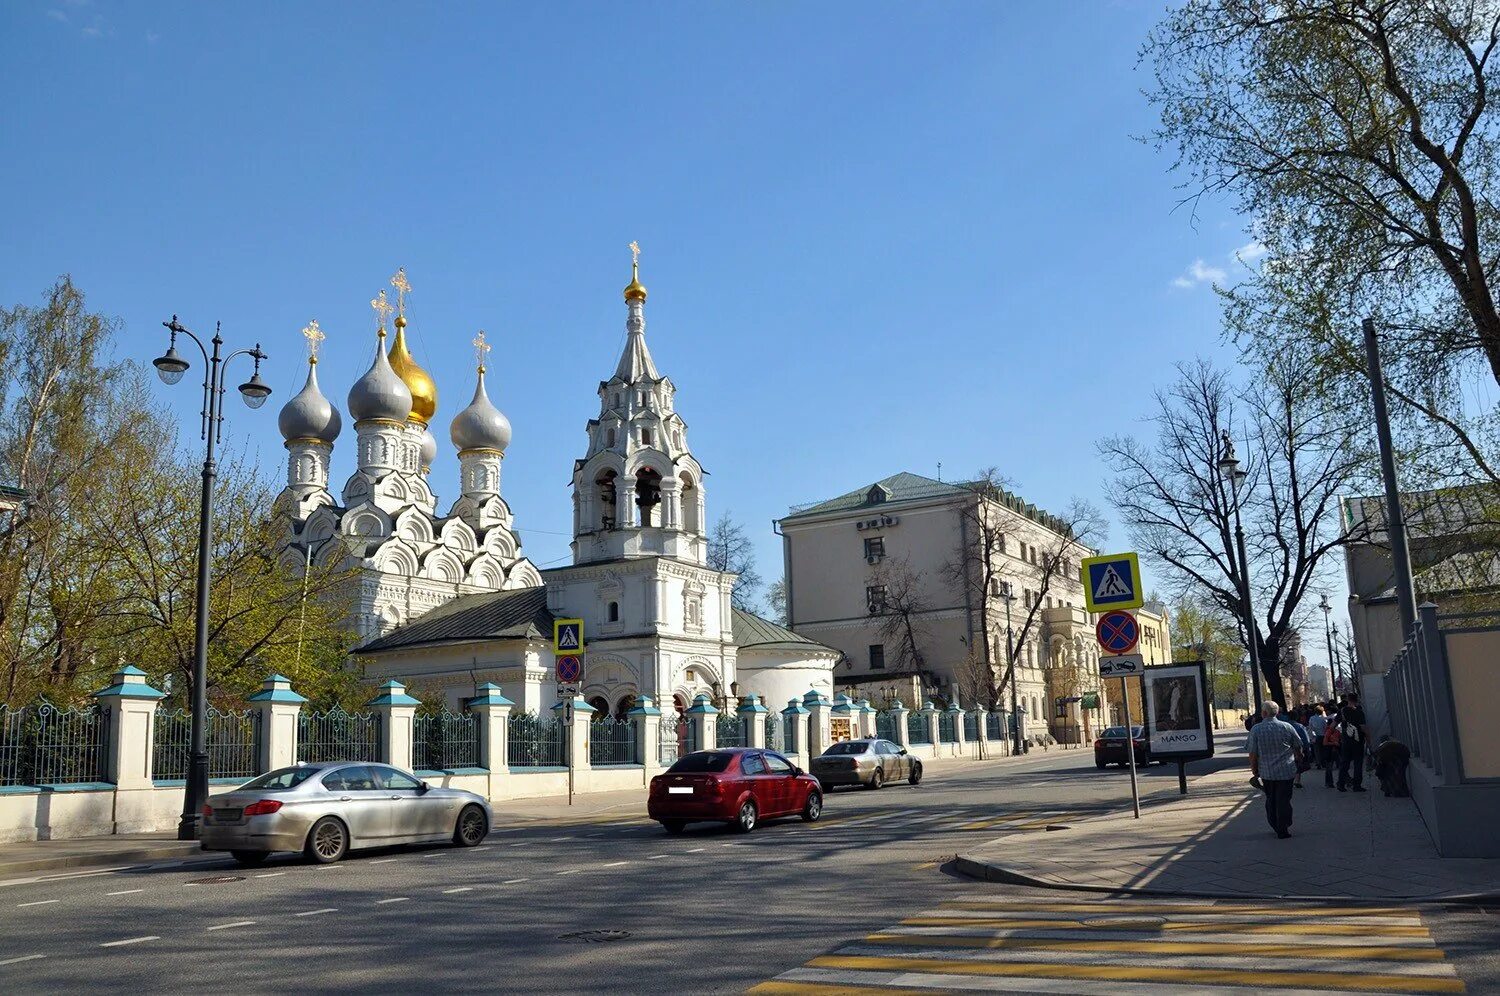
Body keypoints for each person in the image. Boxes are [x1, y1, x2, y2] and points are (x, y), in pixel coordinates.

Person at [1246, 700, 1302, 838]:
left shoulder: (1256, 729)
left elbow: (1252, 753)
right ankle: (1284, 825)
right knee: (1284, 799)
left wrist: (1254, 770)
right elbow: (1298, 744)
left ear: (1264, 713)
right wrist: (1299, 756)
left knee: (1271, 798)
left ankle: (1275, 823)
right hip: (1286, 771)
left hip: (1267, 772)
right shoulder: (1287, 726)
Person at [1336, 694, 1370, 792]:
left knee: (1344, 763)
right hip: (1358, 741)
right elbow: (1364, 728)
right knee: (1358, 764)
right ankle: (1357, 785)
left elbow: (1333, 725)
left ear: (1347, 700)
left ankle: (1341, 784)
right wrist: (1369, 741)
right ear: (1357, 700)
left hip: (1346, 741)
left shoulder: (1342, 711)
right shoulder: (1359, 712)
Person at [1307, 704, 1333, 787]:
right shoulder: (1323, 719)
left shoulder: (1311, 718)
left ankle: (1318, 762)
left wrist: (1311, 737)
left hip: (1316, 736)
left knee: (1316, 750)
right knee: (1323, 750)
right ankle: (1324, 761)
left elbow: (1310, 728)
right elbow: (1326, 727)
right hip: (1323, 735)